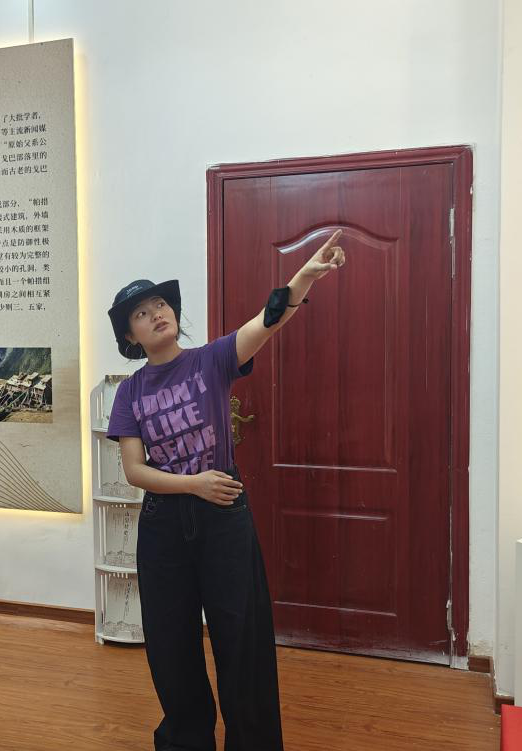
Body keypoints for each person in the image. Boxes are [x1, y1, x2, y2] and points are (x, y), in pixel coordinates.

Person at [105, 231, 347, 751]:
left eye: (160, 304)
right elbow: (134, 471)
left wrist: (304, 277)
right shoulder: (130, 392)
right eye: (141, 314)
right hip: (165, 525)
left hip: (223, 518)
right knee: (171, 645)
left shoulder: (211, 360)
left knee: (242, 639)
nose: (156, 314)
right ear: (131, 337)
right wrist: (193, 484)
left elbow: (268, 320)